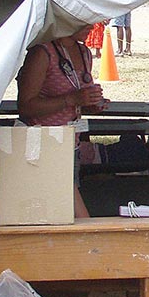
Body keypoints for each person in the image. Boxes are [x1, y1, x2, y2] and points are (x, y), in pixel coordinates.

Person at [16, 24, 109, 218]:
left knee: (63, 210)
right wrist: (72, 99)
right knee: (65, 211)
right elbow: (25, 106)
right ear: (65, 20)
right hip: (42, 146)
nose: (91, 26)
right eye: (83, 21)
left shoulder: (84, 52)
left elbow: (76, 98)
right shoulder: (42, 53)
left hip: (69, 145)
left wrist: (90, 104)